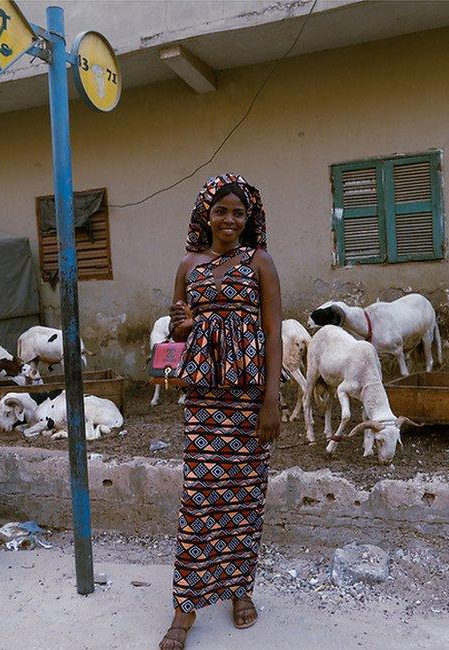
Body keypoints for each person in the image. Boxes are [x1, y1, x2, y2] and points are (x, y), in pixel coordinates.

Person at [159, 173, 283, 650]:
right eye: (221, 211)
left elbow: (272, 333)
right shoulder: (188, 267)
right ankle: (185, 608)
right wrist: (186, 327)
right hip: (204, 400)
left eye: (238, 212)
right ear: (205, 215)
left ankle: (238, 590)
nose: (229, 220)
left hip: (250, 398)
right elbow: (178, 334)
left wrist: (271, 400)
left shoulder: (260, 263)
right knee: (199, 499)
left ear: (248, 218)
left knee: (245, 499)